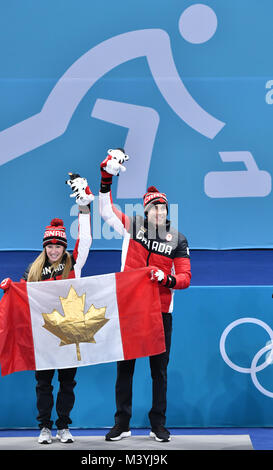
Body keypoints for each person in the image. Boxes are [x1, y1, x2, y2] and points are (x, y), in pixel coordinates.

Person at [98, 148, 191, 442]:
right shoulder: (133, 227)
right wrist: (105, 181)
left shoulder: (177, 239)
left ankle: (158, 424)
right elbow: (105, 210)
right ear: (146, 211)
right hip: (130, 309)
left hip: (161, 312)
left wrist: (168, 278)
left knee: (158, 372)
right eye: (154, 208)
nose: (159, 212)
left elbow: (186, 278)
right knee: (124, 369)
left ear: (167, 210)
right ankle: (122, 423)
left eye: (163, 207)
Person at [0, 175, 93, 445]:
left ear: (64, 247)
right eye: (50, 246)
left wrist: (84, 210)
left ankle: (63, 427)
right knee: (43, 384)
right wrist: (9, 288)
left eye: (58, 245)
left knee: (67, 383)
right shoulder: (33, 269)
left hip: (70, 331)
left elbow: (85, 240)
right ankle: (44, 428)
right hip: (43, 335)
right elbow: (22, 295)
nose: (54, 250)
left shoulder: (74, 264)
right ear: (45, 247)